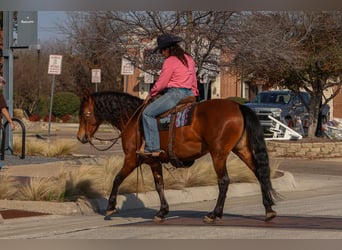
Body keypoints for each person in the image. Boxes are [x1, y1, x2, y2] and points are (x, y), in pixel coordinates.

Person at [137, 33, 199, 157]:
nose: (161, 53)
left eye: (161, 50)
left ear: (168, 48)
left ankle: (152, 147)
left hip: (175, 94)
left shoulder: (170, 61)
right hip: (189, 93)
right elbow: (193, 78)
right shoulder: (189, 58)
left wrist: (151, 94)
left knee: (147, 113)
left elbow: (162, 82)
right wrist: (194, 92)